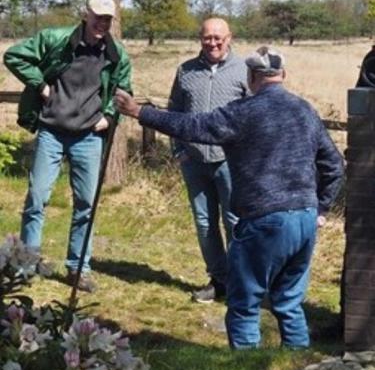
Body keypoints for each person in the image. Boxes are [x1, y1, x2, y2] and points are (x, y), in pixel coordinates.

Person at [114, 46, 344, 349]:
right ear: (283, 75)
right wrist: (321, 206)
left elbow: (192, 125)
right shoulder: (305, 110)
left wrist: (139, 112)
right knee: (289, 301)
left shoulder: (243, 113)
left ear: (251, 77)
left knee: (245, 301)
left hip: (264, 219)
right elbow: (334, 165)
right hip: (304, 217)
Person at [4, 0, 132, 292]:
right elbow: (14, 55)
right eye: (97, 16)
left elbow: (124, 89)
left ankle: (78, 268)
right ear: (85, 15)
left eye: (107, 19)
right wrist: (41, 85)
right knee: (36, 198)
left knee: (86, 204)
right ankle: (27, 264)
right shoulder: (56, 39)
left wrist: (109, 117)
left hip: (88, 136)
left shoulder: (116, 54)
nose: (102, 23)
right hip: (51, 131)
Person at [168, 18, 248, 303]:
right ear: (199, 39)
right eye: (207, 38)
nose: (212, 43)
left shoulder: (244, 71)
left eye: (218, 38)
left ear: (229, 38)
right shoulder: (186, 71)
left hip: (231, 163)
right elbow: (174, 112)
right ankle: (219, 280)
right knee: (204, 223)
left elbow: (256, 115)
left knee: (235, 221)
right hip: (195, 161)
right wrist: (179, 150)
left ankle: (241, 282)